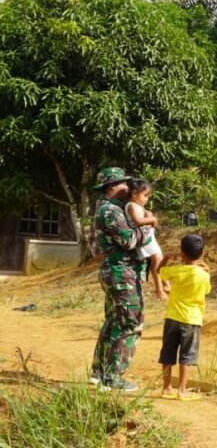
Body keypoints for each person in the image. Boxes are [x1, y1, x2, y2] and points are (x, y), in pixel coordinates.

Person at [89, 167, 145, 392]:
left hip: (116, 272)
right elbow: (129, 241)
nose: (128, 188)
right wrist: (148, 227)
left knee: (114, 321)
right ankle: (112, 377)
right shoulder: (111, 211)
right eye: (124, 184)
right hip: (122, 273)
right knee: (129, 323)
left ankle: (99, 373)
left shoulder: (107, 208)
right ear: (112, 186)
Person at [158, 234, 212, 401]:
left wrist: (166, 258)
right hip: (192, 319)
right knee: (187, 355)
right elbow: (206, 291)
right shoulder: (203, 275)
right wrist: (207, 270)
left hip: (172, 317)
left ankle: (167, 387)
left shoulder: (177, 270)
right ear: (202, 254)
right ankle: (182, 390)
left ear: (182, 253)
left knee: (168, 352)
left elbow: (160, 272)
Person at [126, 179, 166, 301]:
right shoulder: (131, 206)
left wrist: (149, 217)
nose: (146, 199)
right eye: (145, 195)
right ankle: (159, 288)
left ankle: (164, 284)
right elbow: (137, 221)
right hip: (144, 240)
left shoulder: (137, 206)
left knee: (159, 259)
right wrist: (152, 219)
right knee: (157, 259)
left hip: (149, 237)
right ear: (134, 193)